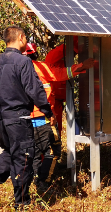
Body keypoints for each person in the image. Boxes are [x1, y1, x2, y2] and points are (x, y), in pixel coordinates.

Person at [0, 26, 54, 208]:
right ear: (21, 37)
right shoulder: (23, 62)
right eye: (25, 38)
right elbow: (34, 90)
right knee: (24, 159)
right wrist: (48, 111)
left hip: (1, 119)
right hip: (19, 119)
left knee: (11, 152)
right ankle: (22, 204)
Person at [22, 42, 96, 192]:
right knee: (53, 150)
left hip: (23, 120)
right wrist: (82, 65)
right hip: (43, 118)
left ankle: (34, 180)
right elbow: (63, 73)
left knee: (34, 152)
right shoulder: (41, 67)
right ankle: (42, 182)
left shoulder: (12, 70)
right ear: (34, 54)